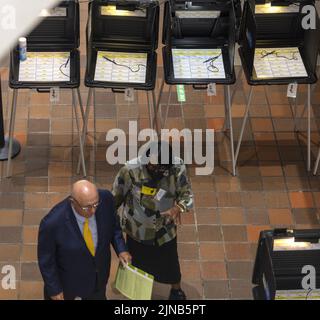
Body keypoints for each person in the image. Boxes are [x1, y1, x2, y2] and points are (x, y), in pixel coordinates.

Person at [112, 141, 193, 300]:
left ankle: (176, 290)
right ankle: (138, 292)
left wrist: (177, 209)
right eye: (153, 167)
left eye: (162, 168)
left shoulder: (177, 168)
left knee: (170, 264)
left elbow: (187, 195)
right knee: (138, 265)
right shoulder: (130, 170)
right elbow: (115, 197)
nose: (157, 171)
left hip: (164, 231)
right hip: (137, 230)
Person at [38, 180, 131, 300]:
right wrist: (54, 289)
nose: (93, 211)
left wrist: (121, 249)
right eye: (87, 207)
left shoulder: (106, 199)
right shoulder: (52, 223)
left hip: (99, 281)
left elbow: (114, 227)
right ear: (73, 202)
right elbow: (47, 261)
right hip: (70, 288)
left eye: (96, 204)